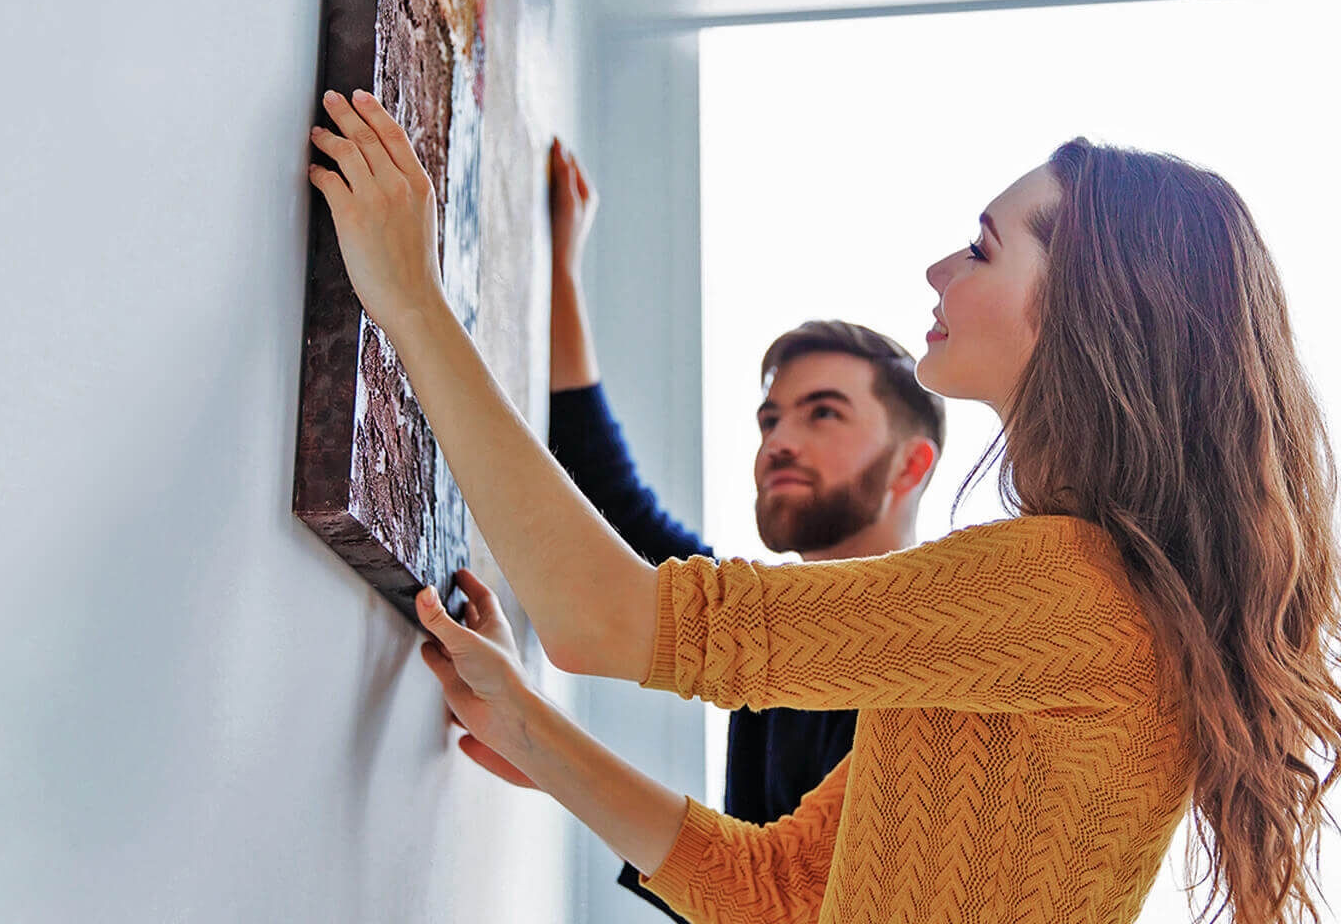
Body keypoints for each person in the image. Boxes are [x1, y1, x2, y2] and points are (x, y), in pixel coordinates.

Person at [305, 88, 1340, 923]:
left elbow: (599, 619)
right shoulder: (1054, 600)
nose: (938, 268)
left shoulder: (1066, 587)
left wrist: (409, 297)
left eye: (983, 247)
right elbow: (779, 894)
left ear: (1087, 309)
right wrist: (530, 732)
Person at [540, 140, 946, 918]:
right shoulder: (766, 625)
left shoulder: (928, 670)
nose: (778, 441)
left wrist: (544, 745)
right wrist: (560, 266)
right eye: (770, 418)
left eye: (822, 412)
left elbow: (772, 899)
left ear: (910, 465)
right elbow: (607, 498)